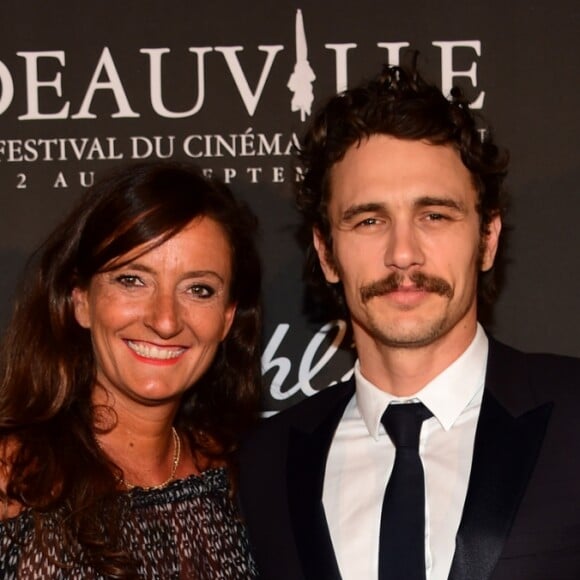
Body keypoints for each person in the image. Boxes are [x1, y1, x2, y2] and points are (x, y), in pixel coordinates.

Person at [238, 63, 580, 580]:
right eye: (369, 220)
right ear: (326, 252)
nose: (403, 254)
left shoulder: (574, 414)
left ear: (487, 239)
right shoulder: (265, 463)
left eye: (435, 216)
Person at [0, 162, 261, 578]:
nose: (165, 320)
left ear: (227, 318)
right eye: (132, 280)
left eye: (198, 289)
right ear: (80, 300)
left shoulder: (241, 479)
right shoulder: (13, 474)